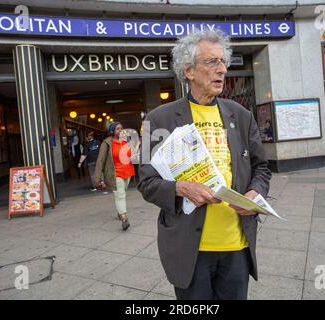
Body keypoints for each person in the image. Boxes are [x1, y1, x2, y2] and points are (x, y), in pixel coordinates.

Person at [138, 29, 271, 300]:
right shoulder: (157, 119)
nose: (222, 69)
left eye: (223, 62)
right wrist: (181, 188)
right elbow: (146, 182)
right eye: (212, 62)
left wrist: (255, 193)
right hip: (189, 250)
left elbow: (262, 168)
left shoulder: (241, 115)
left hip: (236, 245)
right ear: (189, 71)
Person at [94, 122, 135, 231]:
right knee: (120, 195)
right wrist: (97, 178)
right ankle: (124, 219)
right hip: (115, 173)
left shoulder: (126, 141)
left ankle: (120, 212)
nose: (120, 130)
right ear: (112, 131)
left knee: (123, 194)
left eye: (121, 128)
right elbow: (100, 161)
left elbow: (132, 154)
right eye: (118, 129)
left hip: (128, 172)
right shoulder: (106, 143)